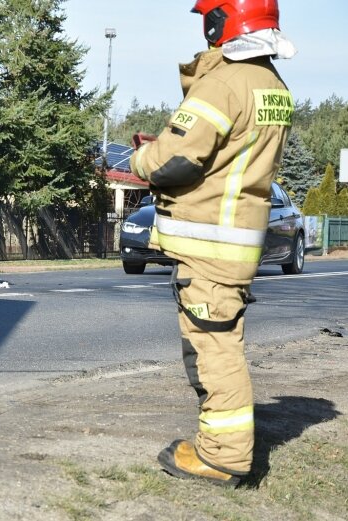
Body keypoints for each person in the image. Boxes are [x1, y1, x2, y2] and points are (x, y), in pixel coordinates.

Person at [130, 0, 295, 486]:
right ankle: (221, 447)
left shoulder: (225, 81)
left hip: (209, 246)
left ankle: (222, 457)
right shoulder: (272, 85)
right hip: (237, 242)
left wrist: (140, 159)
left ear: (220, 20)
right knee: (220, 342)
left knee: (214, 350)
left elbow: (177, 160)